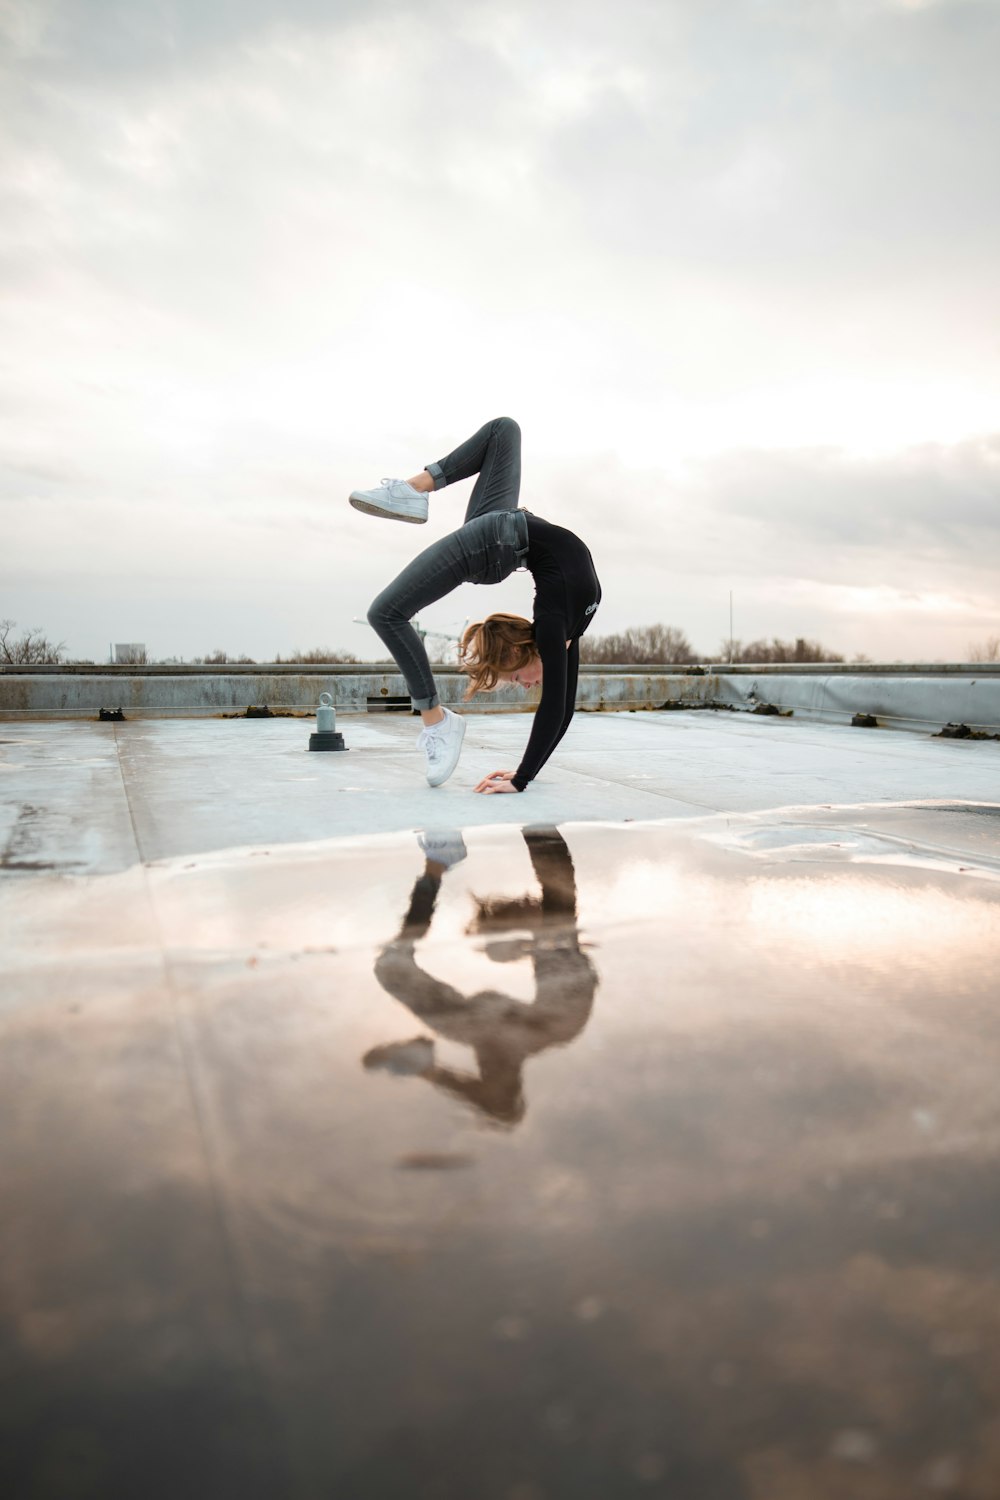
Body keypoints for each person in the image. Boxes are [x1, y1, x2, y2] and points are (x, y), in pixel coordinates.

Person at [350, 417, 601, 792]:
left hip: (499, 538)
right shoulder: (556, 628)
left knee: (387, 612)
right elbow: (558, 710)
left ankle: (435, 721)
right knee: (505, 430)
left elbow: (560, 711)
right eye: (518, 678)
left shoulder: (559, 629)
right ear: (520, 648)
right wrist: (522, 778)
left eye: (516, 678)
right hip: (496, 538)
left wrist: (522, 776)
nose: (524, 685)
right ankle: (438, 723)